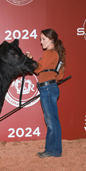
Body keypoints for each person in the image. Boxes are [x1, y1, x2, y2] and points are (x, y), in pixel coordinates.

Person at [26, 29, 66, 158]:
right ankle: (53, 149)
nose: (41, 42)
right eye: (41, 39)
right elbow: (60, 75)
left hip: (47, 89)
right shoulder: (56, 54)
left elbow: (37, 69)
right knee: (52, 119)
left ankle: (53, 150)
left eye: (43, 39)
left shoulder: (49, 53)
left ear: (51, 40)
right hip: (51, 87)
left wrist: (30, 60)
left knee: (51, 120)